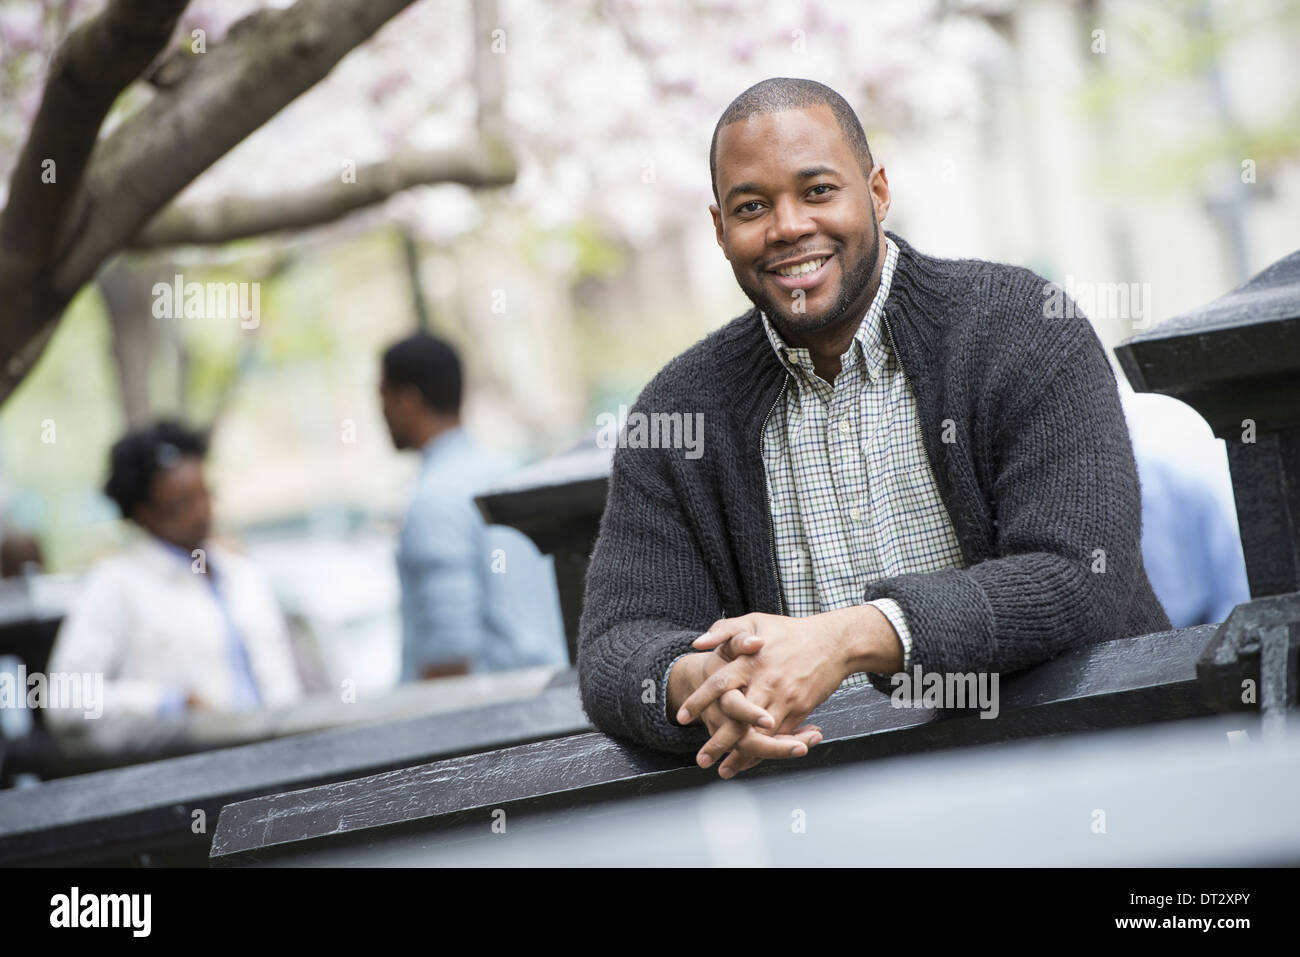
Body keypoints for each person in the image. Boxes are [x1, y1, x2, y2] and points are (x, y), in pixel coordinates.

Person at [577, 77, 1172, 778]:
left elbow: (1078, 576)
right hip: (835, 820)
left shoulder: (1023, 326)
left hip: (1089, 781)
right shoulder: (678, 414)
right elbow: (616, 645)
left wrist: (855, 637)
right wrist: (699, 682)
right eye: (752, 206)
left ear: (878, 192)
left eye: (819, 190)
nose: (789, 226)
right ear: (719, 230)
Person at [46, 421, 302, 749]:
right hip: (193, 776)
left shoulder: (241, 574)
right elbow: (67, 700)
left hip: (282, 760)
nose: (201, 512)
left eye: (204, 495)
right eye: (181, 503)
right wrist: (168, 703)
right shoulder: (116, 584)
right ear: (143, 513)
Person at [379, 334, 567, 681]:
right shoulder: (512, 473)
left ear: (408, 401)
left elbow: (449, 652)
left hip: (490, 722)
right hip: (552, 694)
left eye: (384, 398)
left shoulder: (433, 500)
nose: (382, 414)